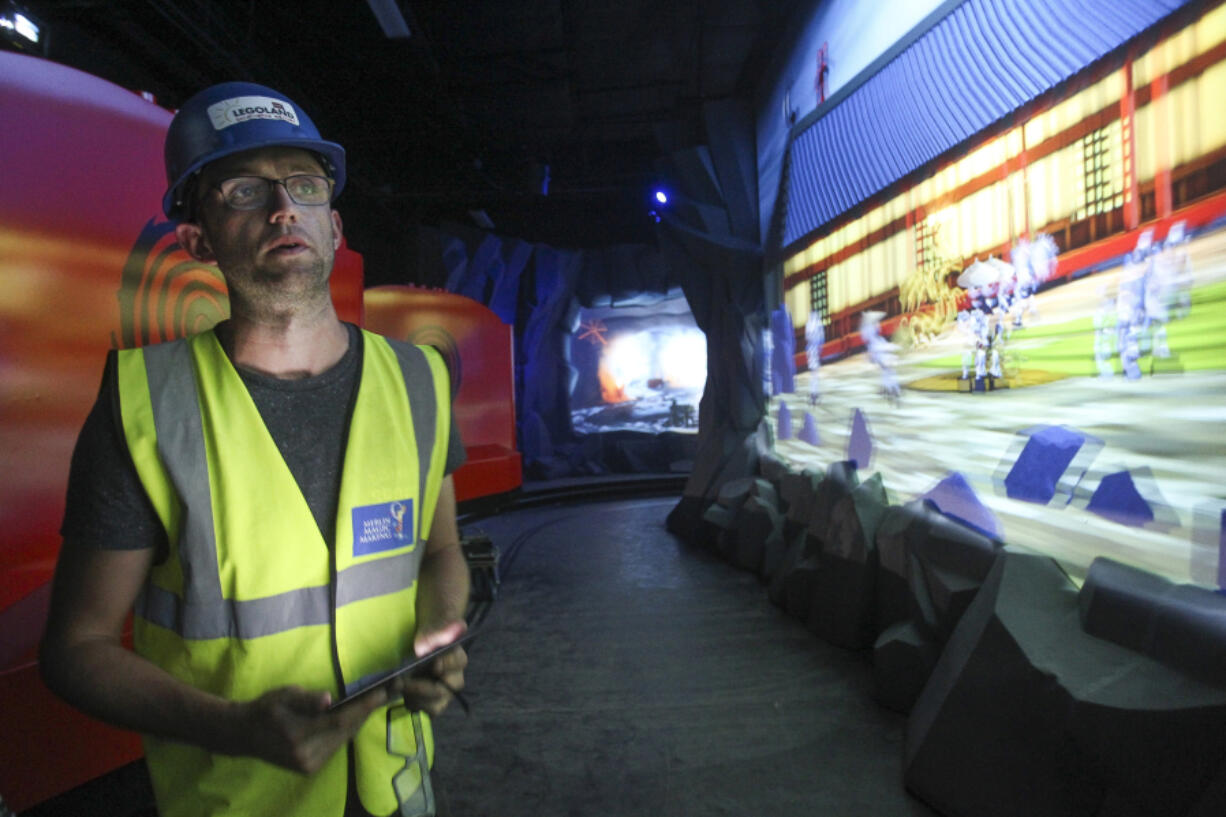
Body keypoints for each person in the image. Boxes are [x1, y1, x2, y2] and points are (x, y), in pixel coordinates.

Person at [39, 81, 471, 817]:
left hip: (398, 785)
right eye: (244, 190)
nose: (282, 209)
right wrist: (231, 725)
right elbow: (74, 647)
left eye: (303, 185)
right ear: (197, 240)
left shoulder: (418, 381)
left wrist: (438, 636)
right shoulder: (145, 406)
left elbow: (440, 554)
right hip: (238, 799)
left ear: (333, 227)